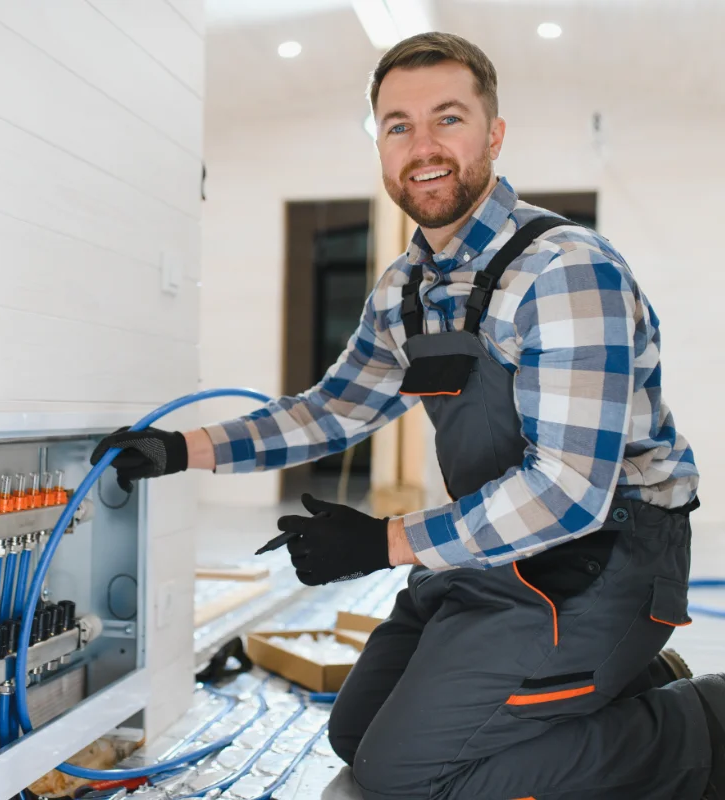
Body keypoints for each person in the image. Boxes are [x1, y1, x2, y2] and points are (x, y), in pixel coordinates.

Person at [93, 32, 724, 800]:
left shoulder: (565, 271)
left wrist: (385, 542)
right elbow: (334, 409)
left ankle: (697, 721)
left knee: (407, 773)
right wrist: (177, 450)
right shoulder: (407, 288)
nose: (422, 146)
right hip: (503, 556)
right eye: (398, 126)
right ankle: (614, 680)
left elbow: (568, 493)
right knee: (355, 733)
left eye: (447, 119)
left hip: (607, 560)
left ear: (494, 134)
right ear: (381, 147)